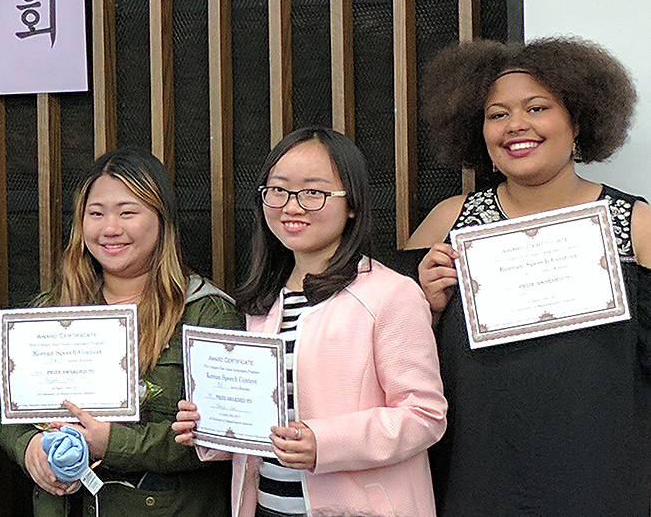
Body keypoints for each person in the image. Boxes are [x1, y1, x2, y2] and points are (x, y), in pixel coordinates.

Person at [407, 37, 651, 517]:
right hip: (476, 476)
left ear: (578, 121)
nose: (515, 125)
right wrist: (425, 309)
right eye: (497, 114)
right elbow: (388, 359)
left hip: (606, 478)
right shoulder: (449, 222)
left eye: (537, 108)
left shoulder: (636, 224)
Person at [172, 127, 446, 517]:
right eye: (278, 190)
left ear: (352, 204)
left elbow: (425, 415)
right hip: (266, 506)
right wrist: (211, 427)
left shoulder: (391, 295)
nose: (291, 206)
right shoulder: (262, 304)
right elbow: (263, 421)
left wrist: (325, 443)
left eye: (313, 193)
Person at [0, 146, 243, 516]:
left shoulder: (206, 313)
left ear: (162, 219)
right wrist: (29, 447)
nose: (110, 229)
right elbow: (6, 409)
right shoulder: (50, 309)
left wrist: (113, 443)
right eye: (96, 214)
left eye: (128, 213)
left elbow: (224, 435)